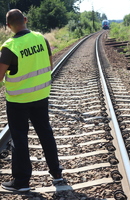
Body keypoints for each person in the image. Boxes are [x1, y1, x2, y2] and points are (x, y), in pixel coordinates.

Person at [0, 9, 64, 192]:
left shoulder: (9, 47)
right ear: (25, 20)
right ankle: (57, 173)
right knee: (46, 133)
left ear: (8, 26)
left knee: (19, 138)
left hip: (18, 100)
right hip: (41, 96)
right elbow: (49, 65)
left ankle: (21, 182)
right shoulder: (41, 39)